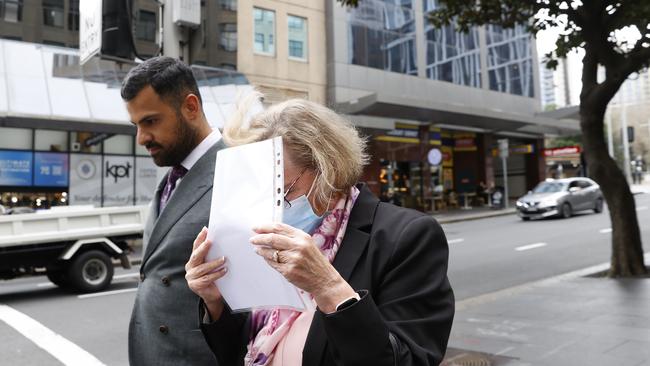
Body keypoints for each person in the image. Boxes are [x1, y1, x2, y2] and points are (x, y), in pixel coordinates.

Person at [185, 96, 455, 366]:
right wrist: (216, 302)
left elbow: (410, 360)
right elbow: (241, 349)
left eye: (283, 190)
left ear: (330, 169)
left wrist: (328, 287)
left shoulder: (406, 236)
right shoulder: (267, 238)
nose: (274, 207)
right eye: (264, 192)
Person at [121, 56, 226, 365]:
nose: (141, 139)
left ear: (191, 107)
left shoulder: (237, 172)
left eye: (150, 121)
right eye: (136, 125)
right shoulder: (173, 174)